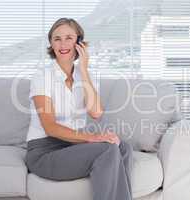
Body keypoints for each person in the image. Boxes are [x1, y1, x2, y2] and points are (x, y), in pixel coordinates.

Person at [25, 18, 133, 200]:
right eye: (57, 39)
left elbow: (96, 112)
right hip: (45, 152)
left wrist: (83, 69)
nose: (63, 44)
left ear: (79, 42)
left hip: (72, 145)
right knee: (106, 149)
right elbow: (50, 127)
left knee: (123, 148)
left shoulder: (85, 76)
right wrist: (93, 138)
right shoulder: (42, 77)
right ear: (51, 44)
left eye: (69, 37)